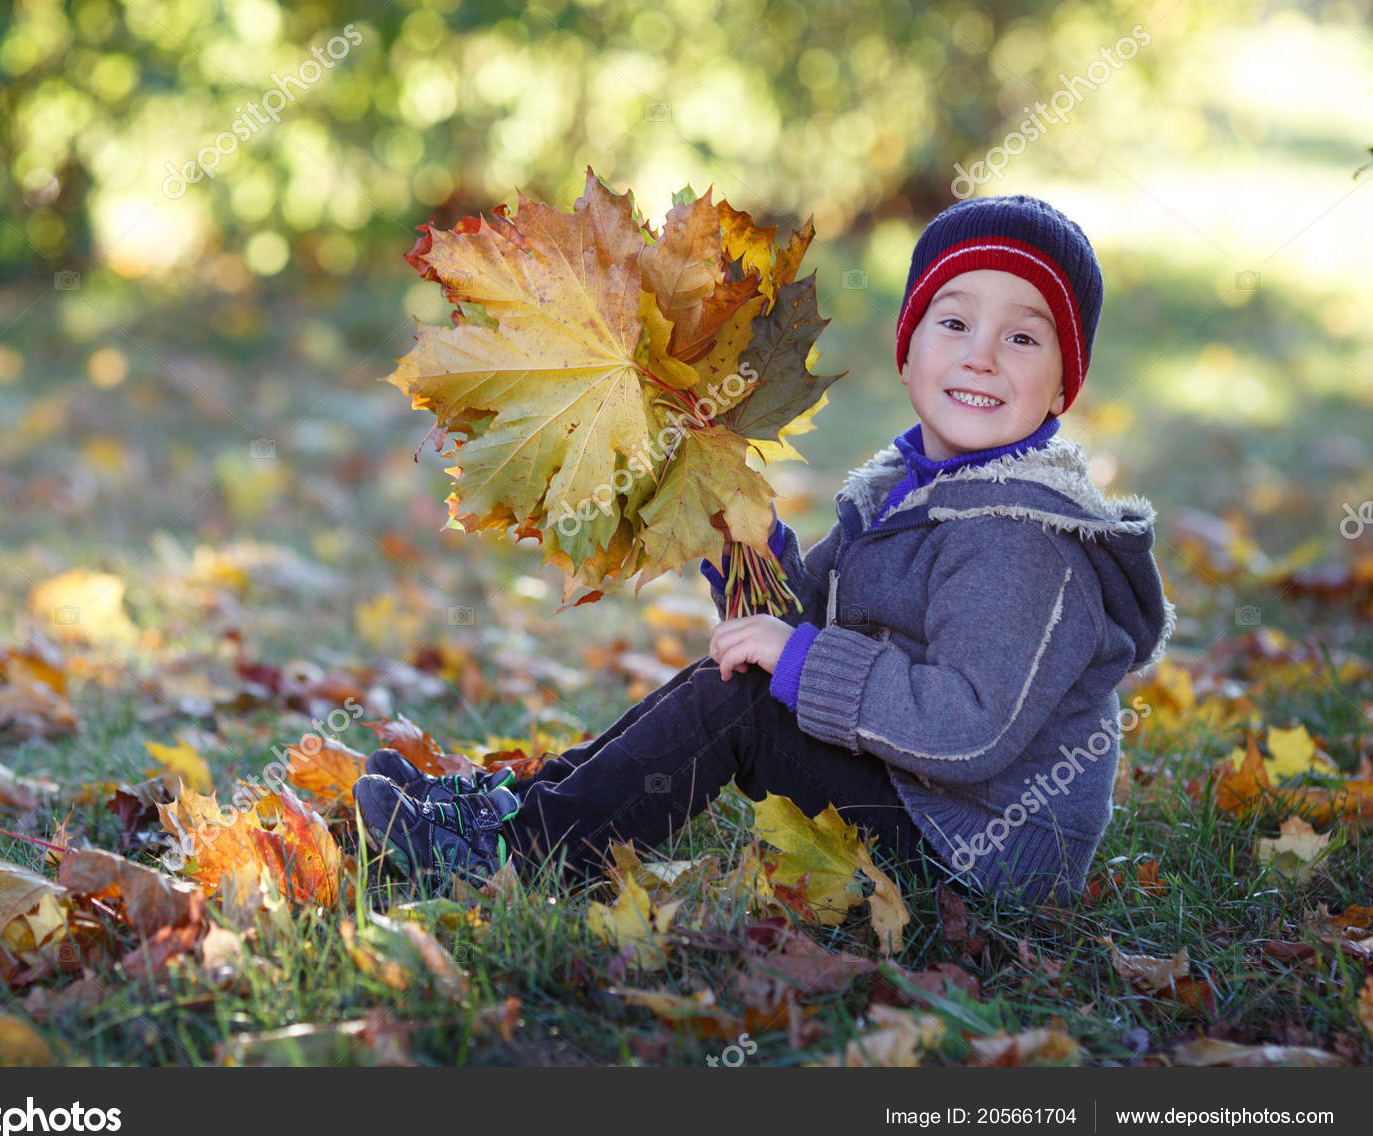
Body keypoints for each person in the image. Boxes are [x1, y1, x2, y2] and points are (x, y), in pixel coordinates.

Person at [353, 193, 1178, 907]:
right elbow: (798, 621)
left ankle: (520, 854)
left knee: (743, 702)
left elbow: (966, 733)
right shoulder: (907, 487)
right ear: (910, 346)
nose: (981, 355)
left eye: (1023, 340)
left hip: (975, 848)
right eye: (955, 321)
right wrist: (743, 536)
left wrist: (797, 660)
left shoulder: (1020, 538)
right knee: (739, 677)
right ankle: (518, 807)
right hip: (913, 795)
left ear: (1065, 385)